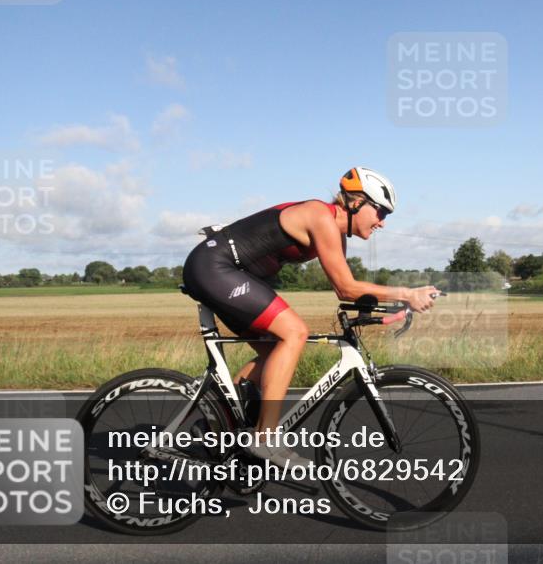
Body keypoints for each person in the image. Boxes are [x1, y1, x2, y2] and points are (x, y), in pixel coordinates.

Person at [181, 167, 439, 467]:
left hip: (227, 271)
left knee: (274, 353)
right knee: (295, 333)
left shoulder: (335, 234)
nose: (382, 222)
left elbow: (347, 292)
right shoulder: (320, 217)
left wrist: (386, 308)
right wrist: (406, 293)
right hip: (216, 267)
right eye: (380, 212)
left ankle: (213, 428)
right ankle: (264, 439)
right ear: (356, 202)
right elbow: (347, 287)